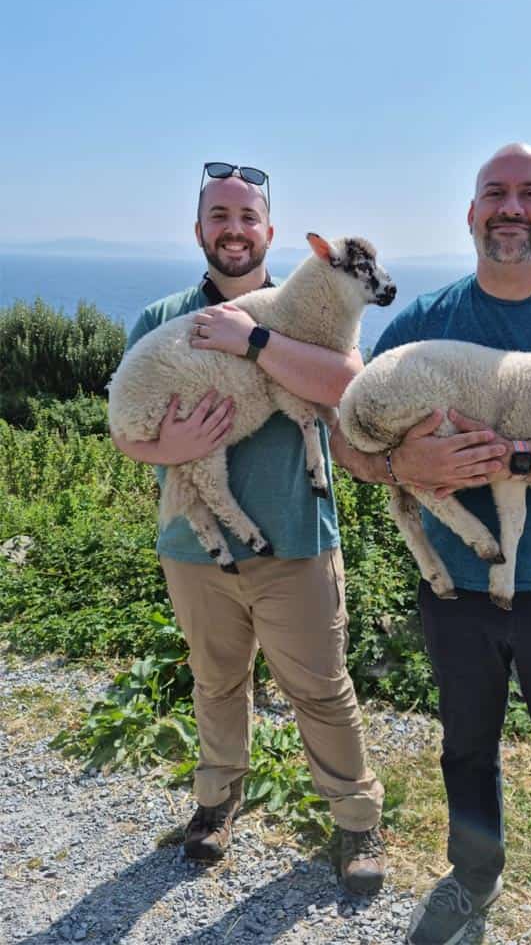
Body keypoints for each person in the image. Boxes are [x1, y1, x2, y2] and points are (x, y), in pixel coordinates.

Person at [331, 144, 531, 943]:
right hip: (461, 590)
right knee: (466, 748)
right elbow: (348, 438)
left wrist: (521, 458)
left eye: (529, 194)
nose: (510, 207)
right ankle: (472, 882)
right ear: (471, 213)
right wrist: (397, 463)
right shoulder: (425, 322)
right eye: (494, 194)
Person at [111, 162, 386, 894]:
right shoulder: (163, 317)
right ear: (200, 229)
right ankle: (215, 805)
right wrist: (168, 451)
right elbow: (127, 429)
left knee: (322, 688)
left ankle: (357, 821)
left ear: (270, 231)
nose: (234, 229)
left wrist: (252, 342)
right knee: (216, 681)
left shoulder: (318, 309)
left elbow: (349, 390)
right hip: (195, 550)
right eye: (220, 216)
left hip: (298, 537)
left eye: (248, 216)